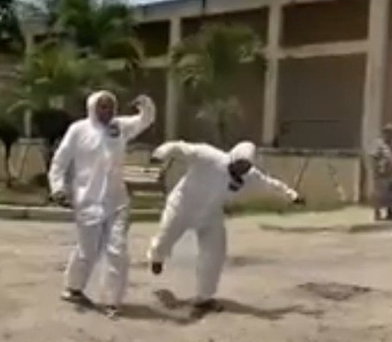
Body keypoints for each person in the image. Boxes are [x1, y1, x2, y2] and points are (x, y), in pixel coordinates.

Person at [146, 140, 304, 318]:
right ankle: (156, 257)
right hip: (181, 207)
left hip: (210, 215)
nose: (241, 169)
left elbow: (270, 185)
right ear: (233, 157)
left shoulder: (250, 176)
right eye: (239, 164)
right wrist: (160, 154)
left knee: (215, 254)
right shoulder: (209, 157)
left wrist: (292, 196)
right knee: (164, 240)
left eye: (246, 165)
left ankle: (204, 297)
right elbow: (180, 148)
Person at [48, 91, 155, 318]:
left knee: (117, 250)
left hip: (117, 200)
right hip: (88, 201)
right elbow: (60, 161)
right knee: (88, 250)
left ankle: (112, 301)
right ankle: (74, 288)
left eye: (110, 107)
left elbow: (144, 121)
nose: (107, 111)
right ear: (93, 108)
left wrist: (145, 105)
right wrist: (57, 188)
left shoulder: (120, 127)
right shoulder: (78, 130)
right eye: (102, 107)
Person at [371, 124, 392, 221]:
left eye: (391, 133)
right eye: (388, 132)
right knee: (379, 195)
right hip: (381, 174)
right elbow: (373, 157)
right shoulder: (379, 144)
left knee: (391, 195)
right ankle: (377, 213)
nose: (390, 135)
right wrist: (377, 169)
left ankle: (390, 212)